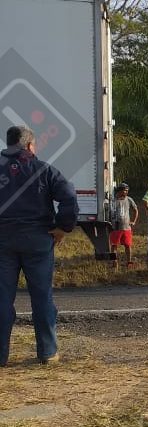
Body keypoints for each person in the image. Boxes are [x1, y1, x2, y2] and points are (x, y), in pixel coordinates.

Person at [0, 125, 78, 365]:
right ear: (30, 146)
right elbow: (69, 197)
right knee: (42, 296)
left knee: (2, 299)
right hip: (38, 240)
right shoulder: (44, 169)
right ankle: (47, 352)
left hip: (3, 241)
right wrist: (63, 227)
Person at [109, 183, 139, 268]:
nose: (126, 192)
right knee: (114, 245)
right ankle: (114, 262)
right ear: (119, 191)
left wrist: (134, 221)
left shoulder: (129, 199)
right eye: (124, 190)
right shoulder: (113, 200)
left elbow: (135, 210)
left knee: (128, 245)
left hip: (127, 227)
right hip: (115, 227)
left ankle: (129, 262)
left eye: (127, 190)